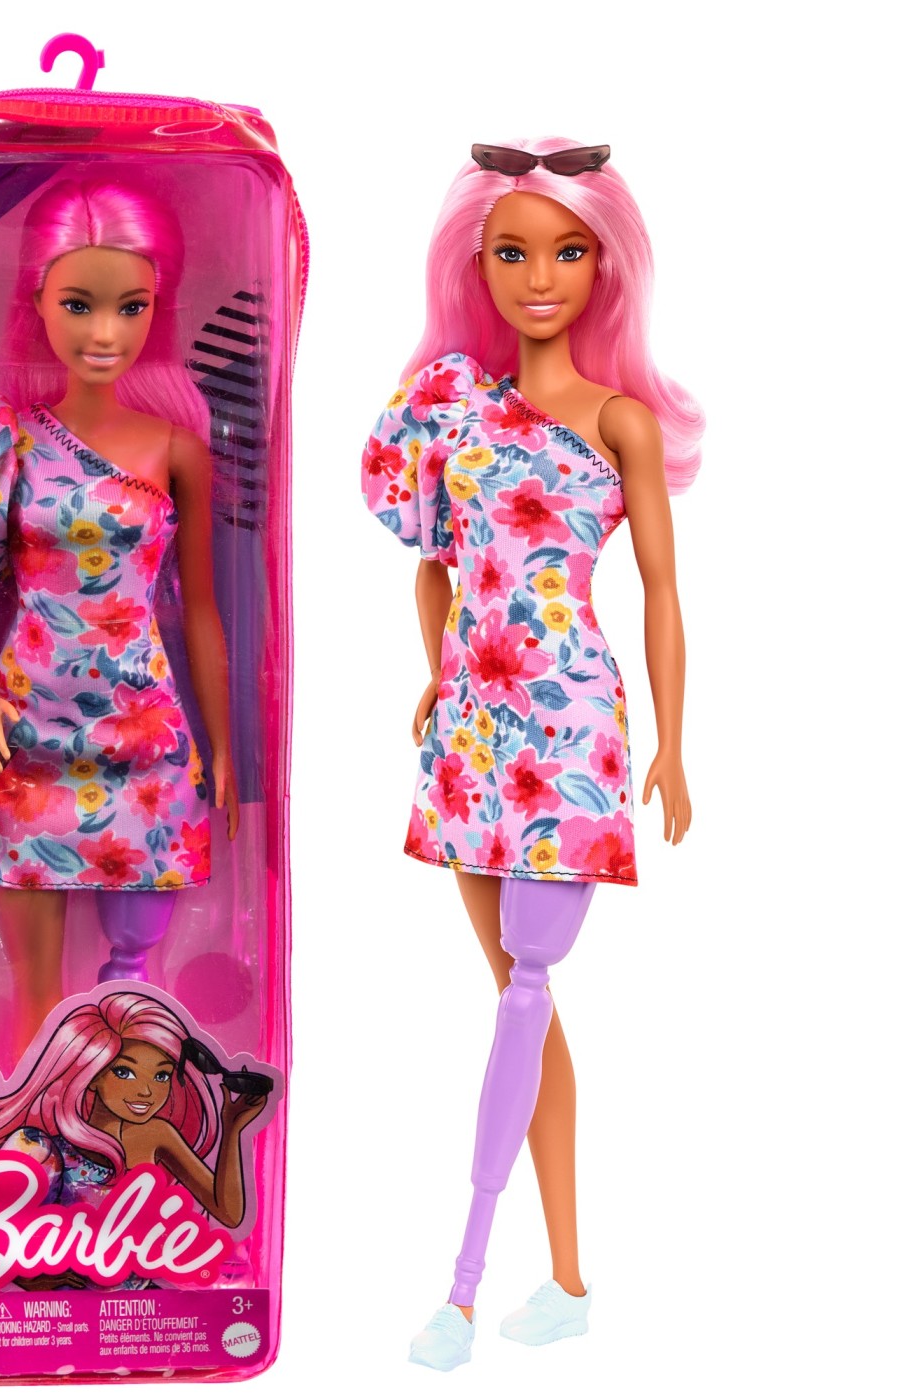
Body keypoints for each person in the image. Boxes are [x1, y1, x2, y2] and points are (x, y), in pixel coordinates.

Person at [361, 139, 701, 1371]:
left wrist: (671, 744)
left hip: (564, 728)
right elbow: (434, 562)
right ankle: (564, 1278)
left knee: (523, 990)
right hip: (467, 728)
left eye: (565, 253)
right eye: (511, 252)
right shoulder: (455, 402)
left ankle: (458, 1288)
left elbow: (659, 589)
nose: (539, 277)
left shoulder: (618, 422)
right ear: (477, 266)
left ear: (606, 268)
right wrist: (434, 670)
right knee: (518, 995)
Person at [0, 178, 238, 1049]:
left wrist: (222, 747)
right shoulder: (3, 442)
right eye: (79, 305)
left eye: (131, 308)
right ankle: (29, 1129)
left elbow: (201, 611)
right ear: (38, 303)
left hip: (146, 742)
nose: (105, 334)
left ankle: (118, 1126)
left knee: (133, 989)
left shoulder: (177, 449)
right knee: (36, 996)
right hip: (27, 741)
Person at [0, 989, 270, 1289]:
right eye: (124, 1072)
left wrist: (233, 1127)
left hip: (138, 1305)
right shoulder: (41, 1147)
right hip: (61, 1309)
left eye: (161, 1076)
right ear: (91, 1074)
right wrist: (35, 1279)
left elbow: (230, 1214)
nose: (146, 1092)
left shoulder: (156, 1134)